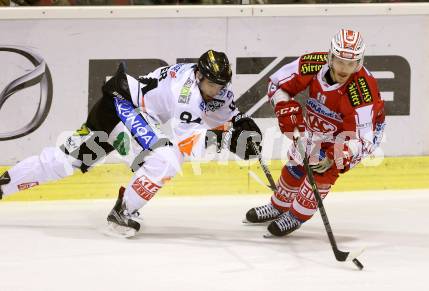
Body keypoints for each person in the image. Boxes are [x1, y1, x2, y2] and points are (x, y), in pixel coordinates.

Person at [0, 49, 262, 237]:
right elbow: (187, 143)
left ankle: (4, 184)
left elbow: (224, 111)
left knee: (65, 160)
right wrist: (228, 138)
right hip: (123, 108)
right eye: (212, 84)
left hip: (118, 107)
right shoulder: (188, 93)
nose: (216, 90)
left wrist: (240, 122)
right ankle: (123, 212)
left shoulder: (211, 85)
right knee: (166, 158)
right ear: (198, 75)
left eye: (221, 85)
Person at [245, 29, 385, 237]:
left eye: (351, 63)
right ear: (330, 56)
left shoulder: (362, 92)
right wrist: (283, 106)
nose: (345, 69)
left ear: (359, 62)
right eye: (339, 61)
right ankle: (278, 206)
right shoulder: (312, 64)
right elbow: (276, 83)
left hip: (354, 135)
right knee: (296, 164)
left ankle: (295, 216)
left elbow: (363, 139)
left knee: (321, 172)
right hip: (321, 124)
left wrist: (338, 155)